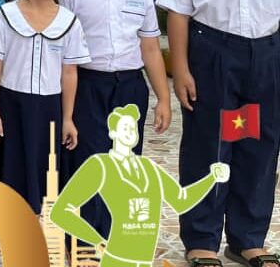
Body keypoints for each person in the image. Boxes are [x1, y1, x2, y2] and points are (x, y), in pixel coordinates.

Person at [156, 0, 280, 267]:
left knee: (258, 147)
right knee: (210, 145)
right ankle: (202, 239)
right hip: (212, 56)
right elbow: (178, 15)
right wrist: (181, 70)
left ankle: (247, 238)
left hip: (264, 59)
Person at [59, 0, 171, 240]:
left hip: (130, 86)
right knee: (89, 158)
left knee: (125, 160)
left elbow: (150, 48)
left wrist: (164, 98)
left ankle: (116, 236)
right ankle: (84, 240)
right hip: (87, 84)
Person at [51, 104, 229, 267]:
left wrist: (211, 178)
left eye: (133, 128)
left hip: (145, 262)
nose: (130, 132)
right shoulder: (100, 166)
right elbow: (60, 211)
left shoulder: (148, 167)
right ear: (113, 132)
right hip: (116, 260)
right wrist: (97, 241)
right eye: (125, 128)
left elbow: (181, 201)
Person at [0, 0, 89, 214]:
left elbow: (69, 72)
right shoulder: (5, 15)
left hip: (49, 108)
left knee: (46, 175)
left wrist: (68, 118)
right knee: (11, 172)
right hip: (11, 105)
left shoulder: (69, 21)